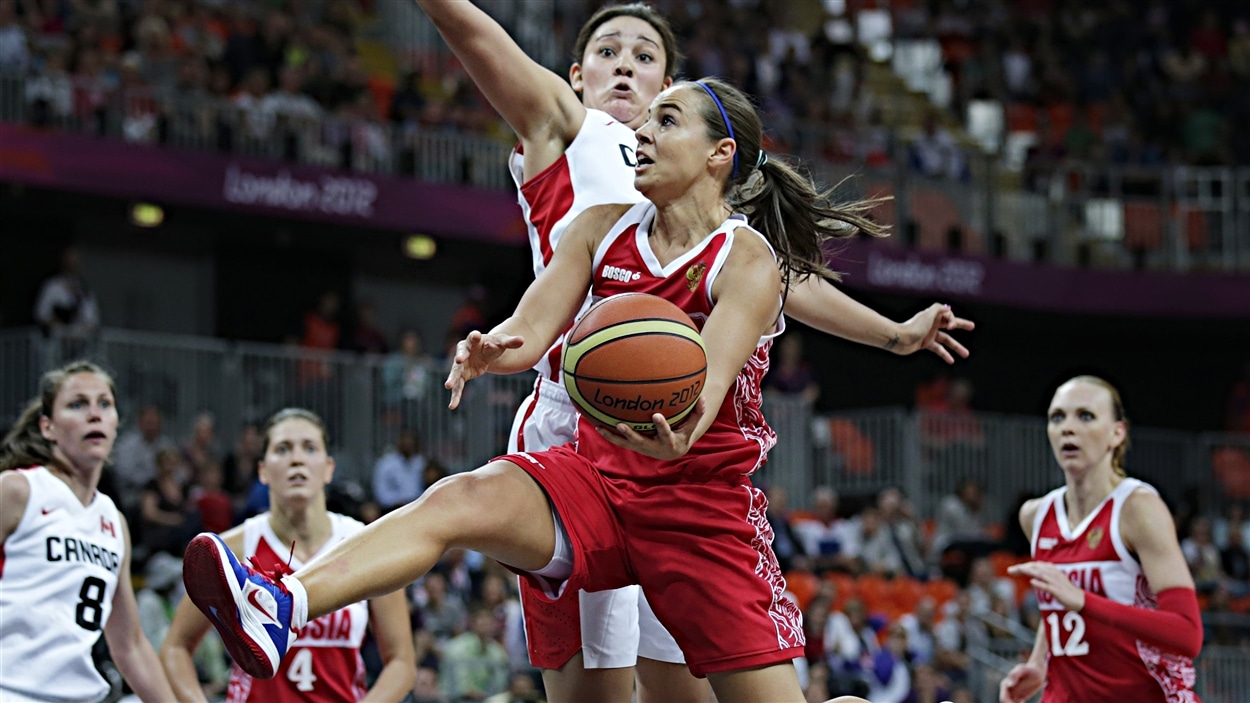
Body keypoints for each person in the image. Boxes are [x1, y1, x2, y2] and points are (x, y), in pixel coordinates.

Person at [184, 76, 954, 703]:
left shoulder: (745, 259)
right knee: (457, 500)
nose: (642, 131)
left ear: (721, 154)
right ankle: (276, 603)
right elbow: (533, 326)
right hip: (597, 480)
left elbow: (706, 391)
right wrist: (494, 347)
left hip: (699, 510)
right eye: (643, 120)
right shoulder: (599, 227)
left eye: (667, 119)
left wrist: (677, 428)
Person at [414, 5, 974, 701]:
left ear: (674, 88)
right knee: (596, 685)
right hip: (578, 423)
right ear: (574, 75)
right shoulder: (567, 124)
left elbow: (779, 280)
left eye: (644, 55)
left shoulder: (691, 182)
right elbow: (475, 38)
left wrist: (893, 334)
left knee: (683, 689)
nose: (624, 63)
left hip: (674, 428)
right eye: (607, 50)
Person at [161, 407, 416, 702]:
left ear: (329, 468)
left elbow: (401, 661)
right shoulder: (235, 548)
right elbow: (175, 647)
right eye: (283, 449)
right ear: (263, 471)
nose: (297, 459)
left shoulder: (365, 544)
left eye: (309, 448)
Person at [999, 376, 1203, 703]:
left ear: (1117, 433)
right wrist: (1038, 663)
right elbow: (1059, 601)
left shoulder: (1138, 509)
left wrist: (1084, 601)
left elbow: (1187, 634)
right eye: (1057, 417)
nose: (1068, 427)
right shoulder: (1035, 515)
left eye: (1086, 416)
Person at [0, 360, 177, 702]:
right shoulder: (18, 490)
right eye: (77, 404)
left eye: (104, 404)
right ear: (48, 427)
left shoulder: (113, 520)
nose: (94, 414)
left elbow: (130, 645)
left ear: (114, 425)